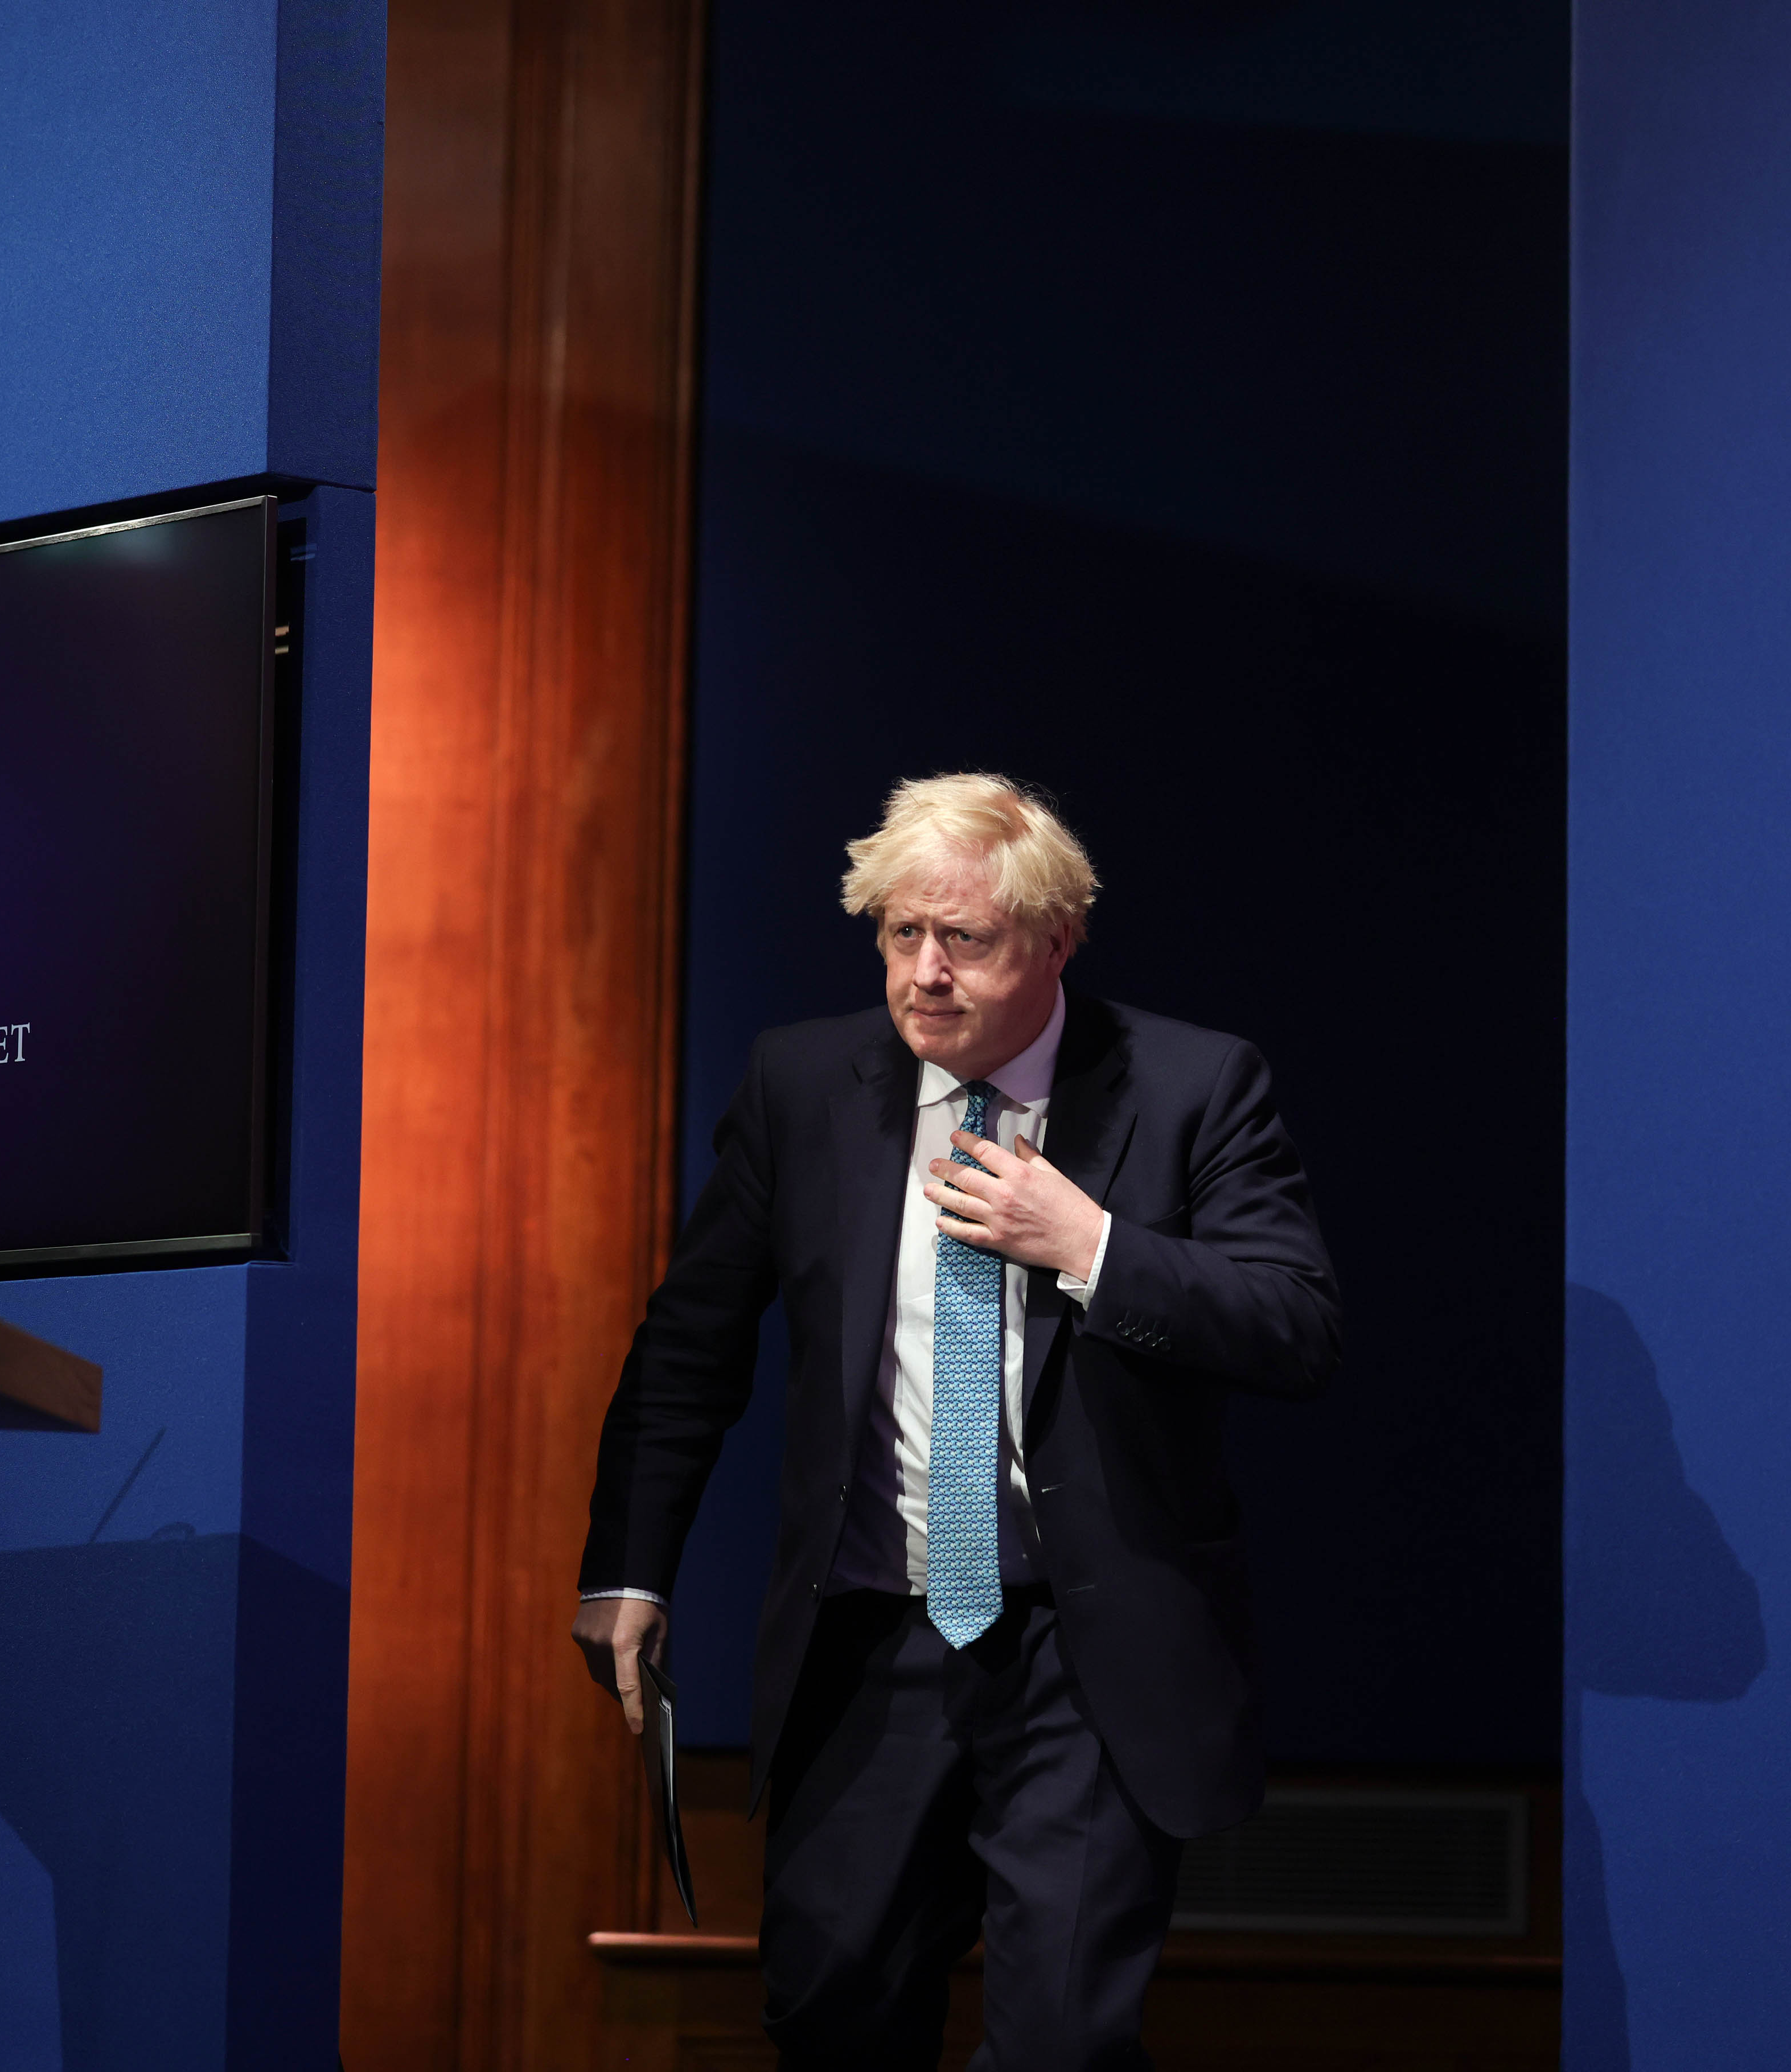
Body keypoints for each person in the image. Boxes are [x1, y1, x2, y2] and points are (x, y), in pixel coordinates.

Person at [572, 772, 1344, 2070]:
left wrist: (1091, 1244)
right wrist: (630, 1566)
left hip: (1086, 1648)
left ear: (1057, 939)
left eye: (965, 939)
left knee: (1061, 2041)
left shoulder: (1194, 1084)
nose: (925, 973)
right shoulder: (803, 1083)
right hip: (872, 1634)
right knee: (832, 2011)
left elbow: (1297, 1325)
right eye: (901, 934)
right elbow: (690, 1345)